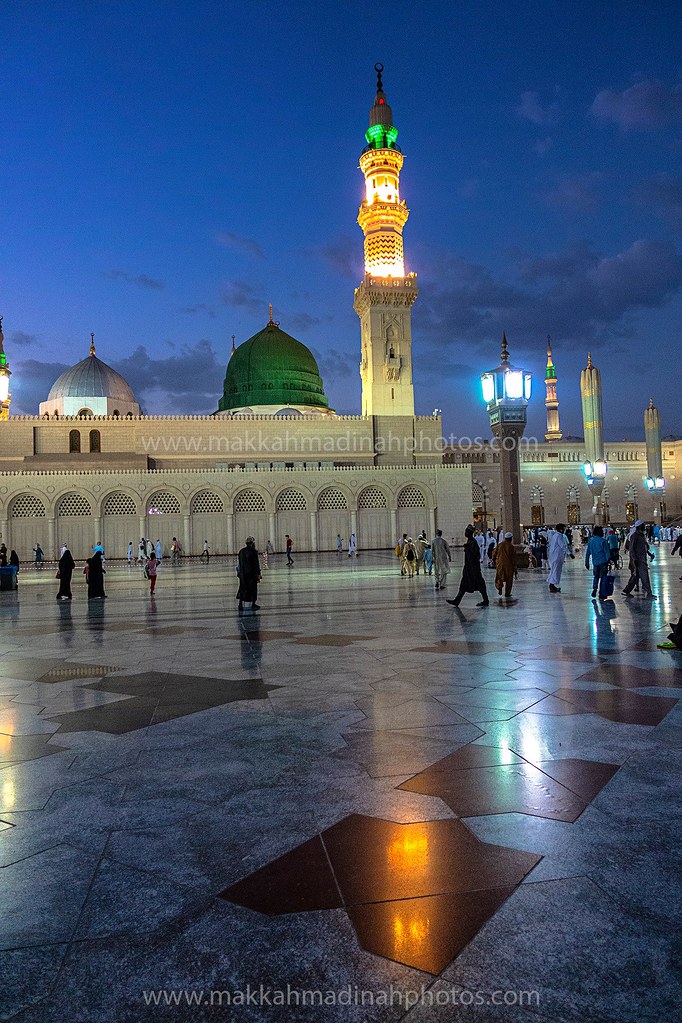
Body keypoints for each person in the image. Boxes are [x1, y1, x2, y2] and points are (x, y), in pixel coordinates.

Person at [447, 525, 489, 607]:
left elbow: (476, 556)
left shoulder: (472, 542)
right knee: (463, 585)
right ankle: (457, 600)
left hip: (473, 569)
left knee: (480, 584)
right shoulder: (470, 542)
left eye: (467, 532)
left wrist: (468, 549)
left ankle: (486, 600)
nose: (465, 533)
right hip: (468, 569)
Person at [622, 521, 656, 599]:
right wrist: (634, 559)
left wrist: (650, 554)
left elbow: (644, 548)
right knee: (644, 576)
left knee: (635, 577)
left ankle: (626, 590)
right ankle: (649, 593)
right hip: (638, 560)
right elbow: (631, 549)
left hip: (642, 559)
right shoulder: (634, 536)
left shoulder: (642, 536)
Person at [585, 526, 612, 600]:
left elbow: (588, 553)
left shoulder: (591, 541)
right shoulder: (603, 541)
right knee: (603, 578)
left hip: (595, 563)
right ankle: (602, 593)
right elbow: (607, 552)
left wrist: (587, 562)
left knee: (596, 577)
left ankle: (594, 588)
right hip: (603, 562)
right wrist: (609, 560)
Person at [237, 536, 262, 613]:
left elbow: (240, 564)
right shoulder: (253, 552)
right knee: (253, 589)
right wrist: (258, 574)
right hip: (251, 574)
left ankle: (240, 604)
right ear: (252, 544)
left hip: (243, 574)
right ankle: (253, 604)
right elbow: (256, 564)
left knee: (242, 588)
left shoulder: (241, 551)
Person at [547, 523, 572, 593]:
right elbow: (562, 546)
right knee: (556, 571)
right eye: (564, 529)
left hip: (554, 556)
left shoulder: (555, 535)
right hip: (557, 556)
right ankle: (552, 585)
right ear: (561, 529)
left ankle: (552, 585)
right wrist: (569, 553)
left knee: (554, 570)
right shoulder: (559, 536)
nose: (565, 530)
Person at [493, 532, 517, 601]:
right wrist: (515, 566)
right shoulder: (511, 546)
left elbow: (494, 553)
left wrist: (495, 560)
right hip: (508, 566)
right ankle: (507, 593)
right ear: (510, 538)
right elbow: (513, 557)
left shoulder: (499, 545)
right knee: (509, 580)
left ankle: (499, 587)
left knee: (500, 577)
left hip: (500, 564)